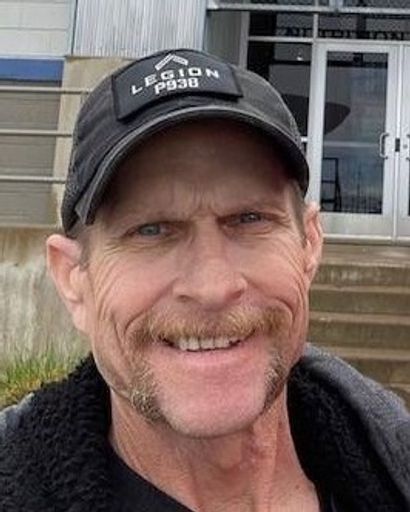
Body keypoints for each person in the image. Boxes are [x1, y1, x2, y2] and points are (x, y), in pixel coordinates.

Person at [0, 48, 408, 512]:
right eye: (151, 230)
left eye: (249, 219)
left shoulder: (389, 468)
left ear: (309, 245)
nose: (213, 288)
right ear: (73, 279)